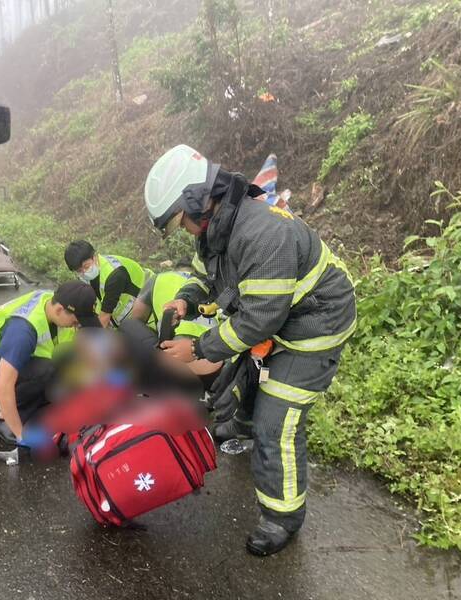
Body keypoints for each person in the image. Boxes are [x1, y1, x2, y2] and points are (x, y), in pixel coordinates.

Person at [144, 144, 356, 556]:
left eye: (178, 222)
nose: (183, 230)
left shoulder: (263, 233)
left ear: (195, 201)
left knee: (277, 423)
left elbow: (259, 319)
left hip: (315, 326)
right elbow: (214, 279)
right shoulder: (219, 228)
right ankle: (241, 424)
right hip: (280, 318)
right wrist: (185, 300)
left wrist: (199, 347)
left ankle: (281, 518)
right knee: (243, 378)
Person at [0, 281, 101, 449]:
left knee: (63, 364)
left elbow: (88, 343)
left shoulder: (55, 302)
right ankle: (3, 422)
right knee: (46, 370)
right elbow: (3, 387)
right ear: (59, 310)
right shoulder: (23, 331)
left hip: (8, 356)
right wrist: (20, 435)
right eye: (75, 322)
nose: (76, 326)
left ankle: (36, 405)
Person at [64, 240, 150, 328]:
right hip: (127, 320)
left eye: (86, 266)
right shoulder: (89, 275)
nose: (84, 272)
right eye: (79, 271)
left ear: (95, 257)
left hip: (148, 316)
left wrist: (91, 335)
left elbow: (104, 317)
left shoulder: (114, 275)